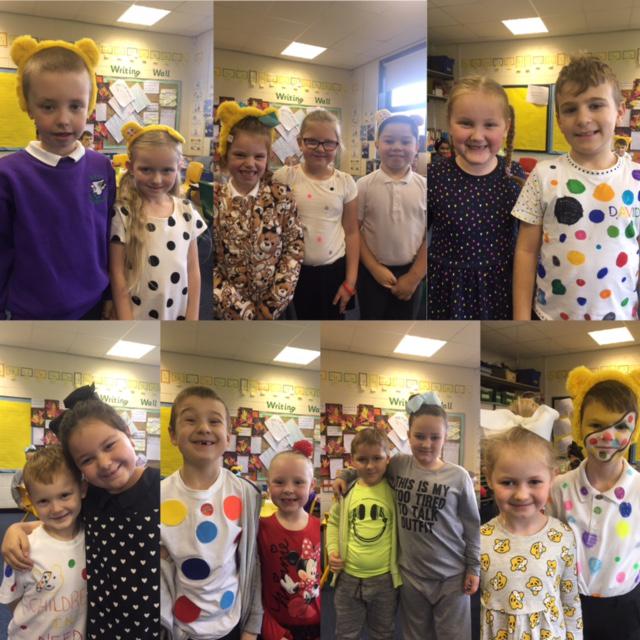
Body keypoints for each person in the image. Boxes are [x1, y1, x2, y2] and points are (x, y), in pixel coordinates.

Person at [1, 388, 161, 639]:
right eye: (87, 460)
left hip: (150, 627)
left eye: (110, 445)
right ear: (80, 472)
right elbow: (59, 521)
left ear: (128, 434)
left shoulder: (163, 491)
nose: (105, 463)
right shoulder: (93, 496)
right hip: (97, 629)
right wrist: (16, 528)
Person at [335, 392, 480, 640]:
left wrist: (473, 567)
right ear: (409, 435)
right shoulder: (399, 465)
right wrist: (344, 476)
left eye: (435, 437)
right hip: (411, 577)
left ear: (445, 438)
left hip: (451, 577)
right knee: (416, 634)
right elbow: (370, 467)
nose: (426, 444)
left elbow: (472, 527)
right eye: (419, 436)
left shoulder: (458, 477)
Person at [513, 56, 640, 321]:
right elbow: (526, 252)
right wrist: (521, 319)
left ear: (619, 110)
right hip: (550, 317)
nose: (583, 119)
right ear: (559, 119)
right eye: (570, 109)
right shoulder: (543, 175)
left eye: (595, 105)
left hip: (621, 314)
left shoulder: (636, 179)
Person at [0, 35, 115, 319]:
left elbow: (108, 236)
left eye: (75, 106)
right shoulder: (8, 175)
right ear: (29, 106)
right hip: (29, 312)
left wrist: (110, 294)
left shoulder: (101, 167)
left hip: (92, 304)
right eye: (48, 107)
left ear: (89, 106)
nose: (63, 120)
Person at [161, 386, 262, 639]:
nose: (204, 428)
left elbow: (254, 563)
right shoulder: (158, 496)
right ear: (173, 435)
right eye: (190, 419)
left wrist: (252, 628)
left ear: (228, 436)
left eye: (214, 421)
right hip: (180, 630)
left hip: (232, 625)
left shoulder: (246, 494)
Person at [549, 366, 640, 640]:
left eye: (621, 426)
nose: (608, 436)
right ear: (579, 425)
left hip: (625, 607)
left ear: (634, 429)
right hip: (569, 603)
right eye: (596, 425)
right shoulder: (559, 488)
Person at [427, 76, 525, 320]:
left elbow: (526, 243)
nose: (477, 136)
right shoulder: (434, 176)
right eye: (466, 123)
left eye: (490, 125)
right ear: (450, 124)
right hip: (448, 288)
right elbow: (418, 236)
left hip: (500, 287)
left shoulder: (515, 176)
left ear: (506, 127)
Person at [480, 420, 582, 639]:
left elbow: (570, 601)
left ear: (552, 477)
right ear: (489, 478)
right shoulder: (480, 539)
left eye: (534, 481)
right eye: (508, 482)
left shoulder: (562, 536)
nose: (521, 495)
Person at [213, 101, 304, 320]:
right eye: (240, 155)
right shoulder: (214, 200)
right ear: (226, 153)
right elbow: (209, 263)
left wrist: (272, 305)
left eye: (258, 156)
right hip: (229, 314)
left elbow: (293, 249)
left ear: (268, 157)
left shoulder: (281, 196)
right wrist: (238, 309)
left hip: (273, 310)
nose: (250, 163)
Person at [110, 121, 205, 320]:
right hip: (137, 317)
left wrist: (192, 317)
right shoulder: (123, 213)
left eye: (167, 170)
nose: (157, 179)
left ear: (179, 167)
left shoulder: (186, 211)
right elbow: (117, 275)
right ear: (130, 167)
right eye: (146, 169)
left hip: (176, 314)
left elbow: (193, 270)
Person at [273, 110, 359, 319]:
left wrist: (350, 282)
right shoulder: (284, 177)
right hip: (292, 272)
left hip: (333, 272)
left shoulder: (345, 182)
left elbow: (352, 232)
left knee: (331, 326)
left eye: (328, 143)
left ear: (337, 145)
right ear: (300, 142)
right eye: (312, 141)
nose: (320, 149)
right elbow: (274, 228)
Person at [0, 446, 87, 639]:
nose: (56, 508)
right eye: (44, 501)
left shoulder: (91, 539)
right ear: (31, 501)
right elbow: (12, 600)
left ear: (82, 489)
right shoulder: (24, 547)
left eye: (64, 495)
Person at [326, 428, 401, 640]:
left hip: (385, 581)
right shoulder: (346, 491)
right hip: (348, 580)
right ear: (352, 461)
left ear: (388, 459)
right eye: (362, 459)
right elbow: (334, 522)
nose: (370, 466)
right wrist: (332, 551)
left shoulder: (395, 490)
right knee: (346, 634)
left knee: (383, 633)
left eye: (377, 458)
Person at [357, 114, 426, 320]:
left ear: (416, 146)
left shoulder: (426, 187)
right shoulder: (363, 185)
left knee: (406, 324)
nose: (397, 147)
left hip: (412, 271)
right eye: (389, 141)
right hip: (372, 272)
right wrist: (374, 267)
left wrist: (414, 276)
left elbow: (432, 236)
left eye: (405, 142)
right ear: (377, 144)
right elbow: (353, 231)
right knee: (371, 323)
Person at [258, 442, 321, 640]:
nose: (288, 489)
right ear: (268, 485)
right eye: (279, 482)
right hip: (276, 627)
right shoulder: (260, 529)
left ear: (312, 485)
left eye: (298, 482)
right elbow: (254, 587)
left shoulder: (320, 529)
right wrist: (272, 631)